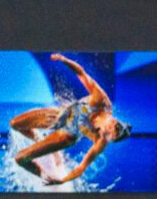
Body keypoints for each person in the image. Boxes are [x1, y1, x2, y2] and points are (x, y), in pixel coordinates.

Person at [9, 53, 132, 184]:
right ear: (112, 121)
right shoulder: (100, 101)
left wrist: (62, 180)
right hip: (60, 116)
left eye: (106, 138)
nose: (101, 136)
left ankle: (45, 175)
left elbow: (81, 167)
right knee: (14, 124)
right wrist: (64, 60)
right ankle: (41, 141)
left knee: (20, 158)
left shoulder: (102, 141)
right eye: (104, 133)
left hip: (66, 136)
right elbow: (81, 73)